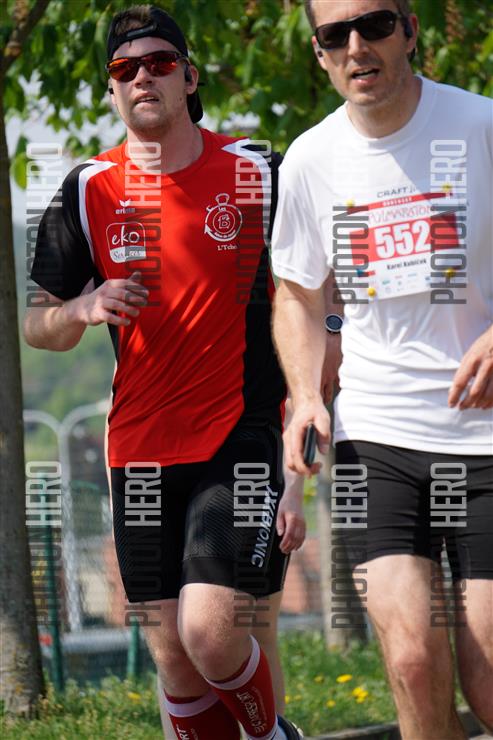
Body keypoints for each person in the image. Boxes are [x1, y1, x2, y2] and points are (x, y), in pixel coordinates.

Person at [24, 6, 305, 738]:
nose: (142, 77)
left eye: (159, 63)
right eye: (125, 69)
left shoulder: (258, 172)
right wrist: (80, 308)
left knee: (211, 633)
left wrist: (309, 422)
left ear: (189, 77)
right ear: (112, 90)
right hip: (138, 449)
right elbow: (37, 324)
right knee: (173, 659)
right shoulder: (88, 189)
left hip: (239, 435)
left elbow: (314, 298)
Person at [271, 1, 493, 739]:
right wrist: (306, 396)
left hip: (484, 434)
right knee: (412, 660)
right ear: (319, 52)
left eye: (373, 25)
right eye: (335, 35)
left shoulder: (479, 125)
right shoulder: (310, 158)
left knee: (487, 672)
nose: (356, 46)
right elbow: (298, 294)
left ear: (410, 30)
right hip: (378, 432)